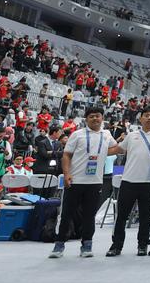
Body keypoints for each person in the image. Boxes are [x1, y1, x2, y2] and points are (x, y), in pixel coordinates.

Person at [50, 106, 116, 258]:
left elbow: (116, 148)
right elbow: (66, 155)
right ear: (86, 119)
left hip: (95, 182)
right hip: (75, 180)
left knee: (89, 215)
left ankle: (87, 244)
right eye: (91, 116)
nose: (95, 118)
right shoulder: (77, 135)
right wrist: (66, 174)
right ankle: (59, 244)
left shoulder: (106, 135)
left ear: (102, 118)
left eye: (98, 116)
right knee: (67, 214)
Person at [108, 106, 150, 257]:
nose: (148, 118)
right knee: (121, 216)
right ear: (140, 118)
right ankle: (116, 246)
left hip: (147, 182)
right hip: (128, 181)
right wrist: (99, 149)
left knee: (145, 216)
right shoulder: (131, 135)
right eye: (146, 115)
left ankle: (142, 245)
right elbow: (118, 150)